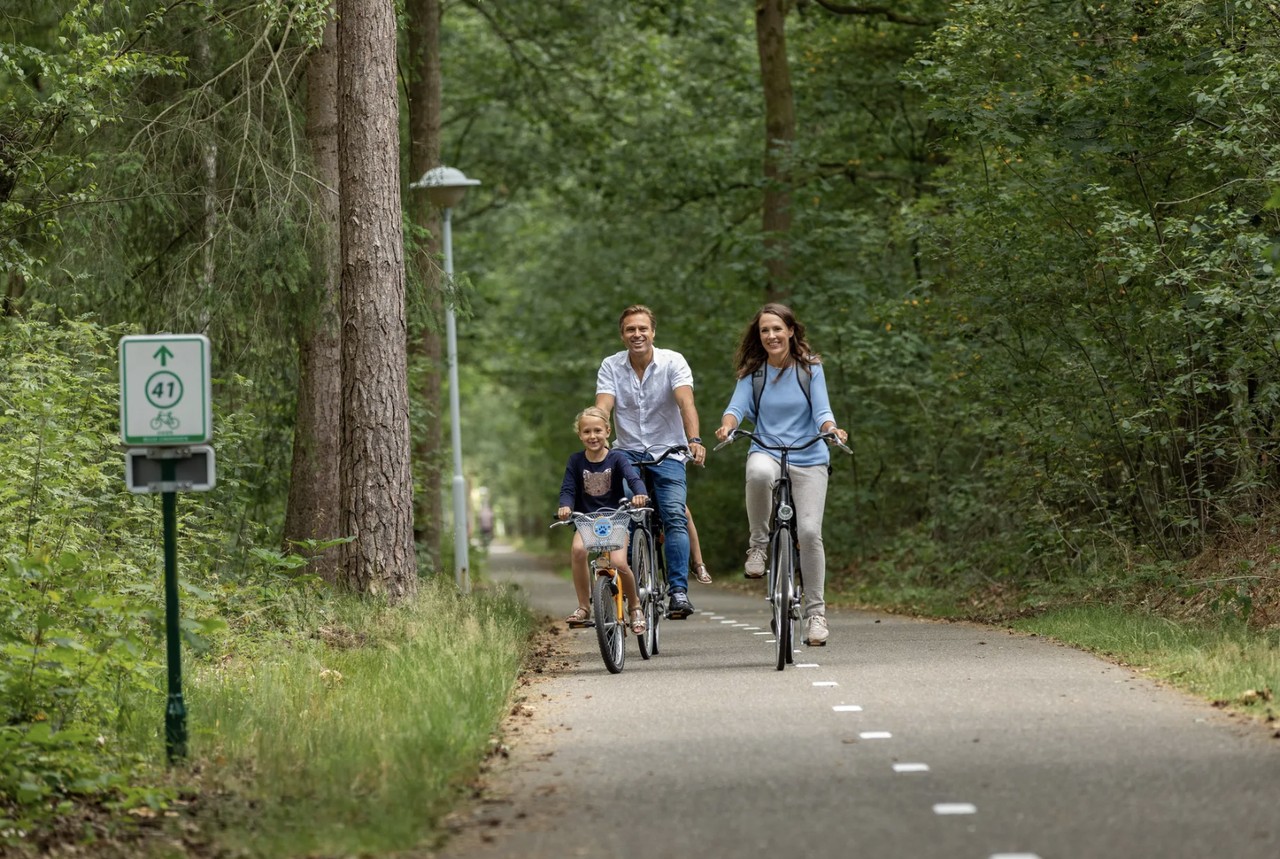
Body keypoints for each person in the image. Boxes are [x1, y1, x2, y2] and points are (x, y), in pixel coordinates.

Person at [714, 303, 848, 646]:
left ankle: (816, 615)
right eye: (764, 331)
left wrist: (832, 429)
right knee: (757, 472)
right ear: (758, 337)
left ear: (791, 331)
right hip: (767, 449)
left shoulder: (810, 369)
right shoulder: (753, 373)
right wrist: (728, 427)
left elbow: (822, 410)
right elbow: (736, 408)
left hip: (809, 455)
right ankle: (758, 546)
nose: (771, 336)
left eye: (777, 329)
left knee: (809, 532)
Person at [596, 304, 706, 619]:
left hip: (669, 451)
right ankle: (629, 590)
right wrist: (598, 432)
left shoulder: (673, 362)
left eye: (642, 328)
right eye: (630, 329)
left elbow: (686, 403)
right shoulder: (611, 366)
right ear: (622, 335)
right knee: (627, 516)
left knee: (673, 514)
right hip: (627, 453)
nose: (637, 334)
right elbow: (604, 406)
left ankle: (678, 591)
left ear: (653, 332)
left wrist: (694, 439)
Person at [557, 406, 649, 634]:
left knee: (618, 563)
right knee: (578, 551)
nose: (592, 436)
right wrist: (565, 506)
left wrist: (640, 494)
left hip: (616, 518)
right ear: (579, 435)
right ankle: (583, 607)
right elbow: (568, 488)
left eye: (597, 430)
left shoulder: (617, 458)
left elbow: (633, 478)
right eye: (586, 432)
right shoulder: (575, 461)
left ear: (608, 431)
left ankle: (635, 607)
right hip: (587, 520)